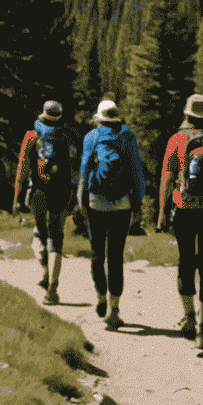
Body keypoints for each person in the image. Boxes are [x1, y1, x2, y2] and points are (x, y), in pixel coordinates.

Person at [158, 93, 203, 354]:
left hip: (184, 208)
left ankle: (189, 317)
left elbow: (167, 178)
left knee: (186, 262)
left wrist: (161, 213)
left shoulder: (177, 139)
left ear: (186, 114)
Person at [78, 98, 149, 331]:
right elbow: (136, 170)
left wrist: (81, 198)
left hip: (96, 203)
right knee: (115, 256)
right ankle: (115, 310)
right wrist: (138, 202)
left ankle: (100, 298)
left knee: (97, 253)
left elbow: (85, 168)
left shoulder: (91, 137)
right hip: (122, 205)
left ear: (99, 118)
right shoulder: (128, 136)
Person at [12, 99, 72, 306]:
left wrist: (17, 197)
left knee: (40, 232)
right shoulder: (67, 135)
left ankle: (44, 272)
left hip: (38, 191)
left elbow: (22, 167)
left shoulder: (32, 135)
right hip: (62, 191)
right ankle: (53, 289)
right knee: (57, 237)